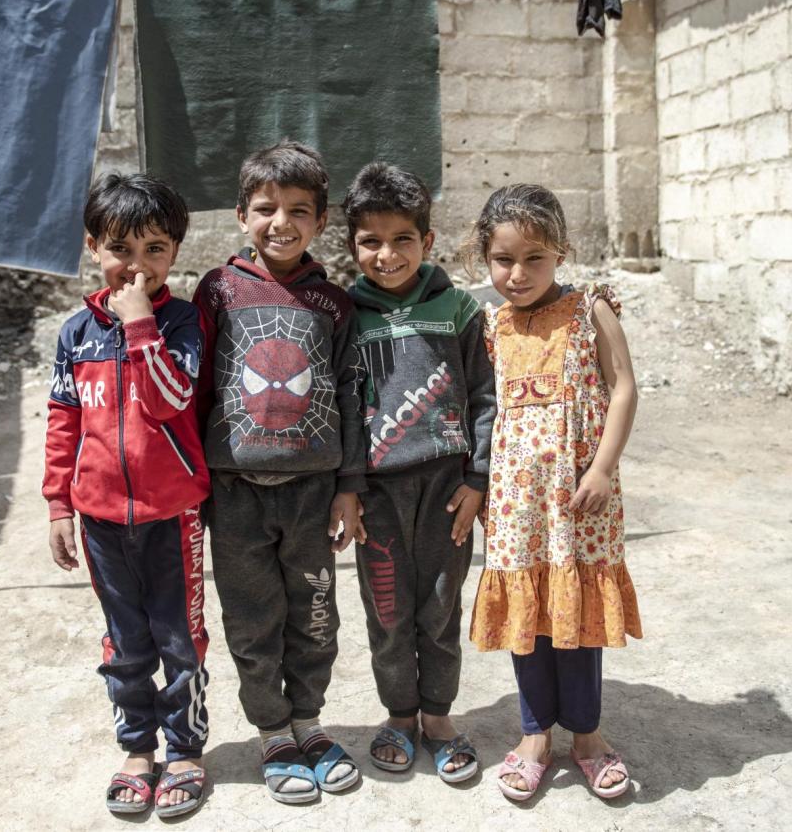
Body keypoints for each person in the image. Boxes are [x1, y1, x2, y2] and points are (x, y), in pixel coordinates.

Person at [194, 141, 366, 804]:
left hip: (312, 494)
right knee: (252, 617)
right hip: (234, 493)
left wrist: (350, 487)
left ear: (321, 221)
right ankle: (273, 731)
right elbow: (198, 388)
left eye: (299, 210)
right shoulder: (218, 291)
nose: (281, 222)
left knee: (316, 612)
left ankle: (310, 723)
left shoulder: (333, 303)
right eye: (266, 208)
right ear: (241, 214)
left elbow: (349, 394)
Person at [465, 184, 644, 801]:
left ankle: (588, 737)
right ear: (484, 258)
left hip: (582, 499)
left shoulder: (591, 309)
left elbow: (623, 388)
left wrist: (601, 468)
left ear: (561, 252)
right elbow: (479, 411)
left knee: (582, 615)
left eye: (534, 258)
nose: (517, 274)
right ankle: (535, 733)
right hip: (516, 502)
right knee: (528, 615)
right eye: (503, 260)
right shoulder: (486, 323)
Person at [43, 173, 211, 818]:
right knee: (124, 639)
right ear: (93, 246)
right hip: (101, 517)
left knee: (179, 636)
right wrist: (60, 503)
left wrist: (142, 327)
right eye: (121, 249)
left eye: (154, 250)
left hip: (173, 516)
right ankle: (137, 750)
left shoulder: (183, 321)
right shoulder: (74, 335)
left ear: (173, 253)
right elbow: (63, 420)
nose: (136, 267)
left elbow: (172, 402)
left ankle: (187, 750)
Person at [341, 162, 496, 783]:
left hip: (444, 492)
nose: (387, 254)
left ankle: (437, 718)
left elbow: (486, 396)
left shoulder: (457, 308)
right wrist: (348, 487)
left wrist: (477, 480)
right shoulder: (344, 315)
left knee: (438, 608)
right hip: (376, 495)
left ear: (427, 242)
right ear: (351, 246)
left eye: (402, 238)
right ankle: (399, 715)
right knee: (386, 609)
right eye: (370, 241)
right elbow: (343, 407)